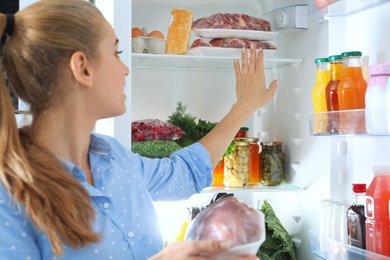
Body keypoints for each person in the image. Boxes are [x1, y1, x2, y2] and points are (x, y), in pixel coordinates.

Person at [0, 0, 278, 259]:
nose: (125, 69)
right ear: (82, 68)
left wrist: (243, 108)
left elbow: (186, 172)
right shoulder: (10, 193)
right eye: (116, 53)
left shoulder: (113, 158)